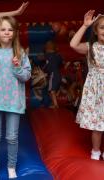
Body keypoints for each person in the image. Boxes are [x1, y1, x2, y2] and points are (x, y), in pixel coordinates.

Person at [0, 16, 31, 180]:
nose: (6, 32)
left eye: (10, 29)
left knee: (11, 137)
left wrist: (17, 68)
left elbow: (26, 76)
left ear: (15, 32)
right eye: (3, 29)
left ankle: (11, 166)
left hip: (13, 102)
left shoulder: (20, 53)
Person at [70, 10, 104, 160]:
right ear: (96, 31)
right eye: (102, 27)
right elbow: (73, 44)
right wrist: (85, 26)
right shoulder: (91, 47)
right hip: (96, 93)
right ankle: (95, 152)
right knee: (97, 126)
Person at [43, 40, 63, 108]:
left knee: (51, 91)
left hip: (53, 74)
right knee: (51, 90)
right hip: (58, 75)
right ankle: (53, 102)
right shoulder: (58, 56)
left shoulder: (47, 55)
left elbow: (40, 58)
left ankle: (55, 104)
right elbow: (60, 63)